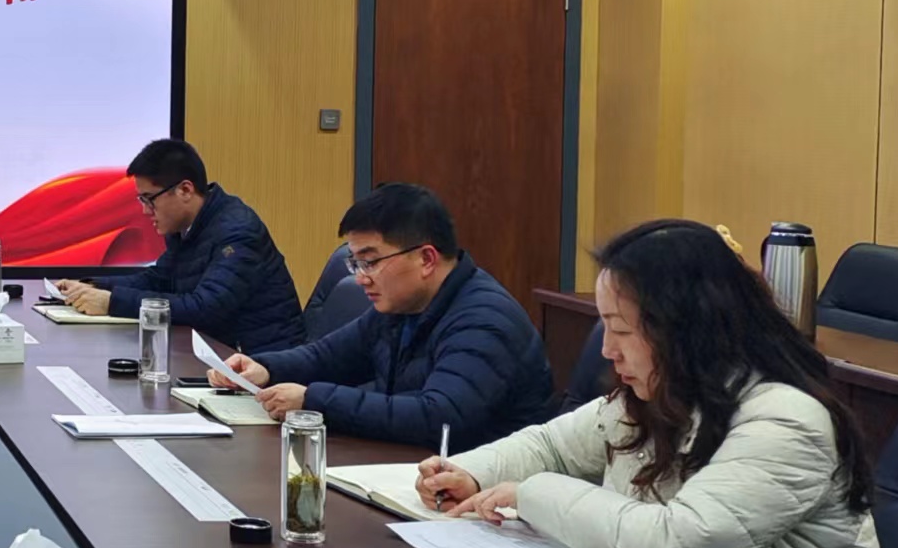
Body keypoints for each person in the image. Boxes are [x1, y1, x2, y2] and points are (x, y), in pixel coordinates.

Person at [419, 219, 890, 548]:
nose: (607, 349)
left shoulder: (786, 421)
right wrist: (472, 473)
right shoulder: (659, 392)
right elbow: (552, 446)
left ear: (686, 329)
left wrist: (530, 494)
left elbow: (675, 547)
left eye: (622, 330)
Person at [207, 183, 550, 450]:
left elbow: (439, 417)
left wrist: (313, 401)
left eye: (370, 262)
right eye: (355, 263)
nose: (361, 278)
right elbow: (327, 356)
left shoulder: (485, 321)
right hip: (414, 468)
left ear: (426, 259)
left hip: (484, 495)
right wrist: (265, 368)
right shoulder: (401, 305)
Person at [51, 138, 304, 354]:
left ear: (185, 190)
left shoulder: (238, 233)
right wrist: (93, 285)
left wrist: (112, 302)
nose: (145, 211)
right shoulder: (188, 226)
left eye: (149, 199)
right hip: (214, 353)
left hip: (261, 365)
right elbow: (159, 279)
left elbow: (204, 308)